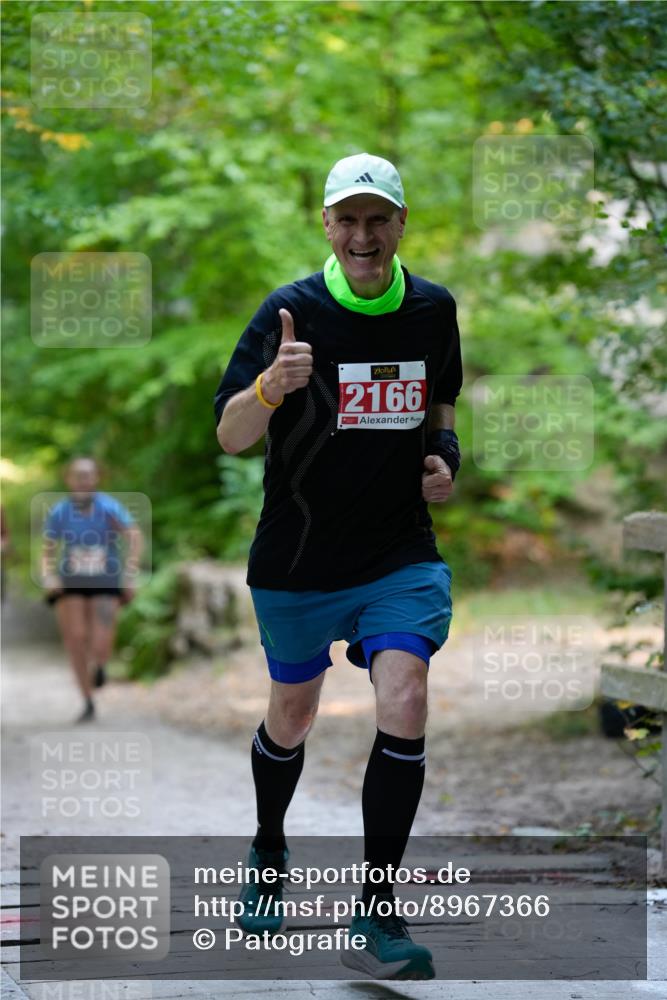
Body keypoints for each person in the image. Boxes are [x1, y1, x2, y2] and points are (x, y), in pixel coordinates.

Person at [214, 153, 462, 981]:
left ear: (399, 223)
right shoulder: (288, 311)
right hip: (299, 556)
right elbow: (230, 435)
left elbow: (438, 402)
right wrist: (271, 388)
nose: (362, 234)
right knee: (292, 715)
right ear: (326, 224)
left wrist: (441, 455)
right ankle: (267, 847)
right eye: (346, 219)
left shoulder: (433, 309)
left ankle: (379, 907)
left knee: (407, 693)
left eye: (377, 218)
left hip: (398, 552)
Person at [40, 456, 143, 723]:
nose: (83, 480)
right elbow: (47, 550)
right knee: (75, 639)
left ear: (96, 478)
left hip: (105, 581)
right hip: (71, 582)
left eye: (88, 475)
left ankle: (99, 665)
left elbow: (134, 537)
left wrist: (130, 575)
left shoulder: (109, 507)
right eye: (78, 475)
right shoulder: (60, 512)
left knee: (100, 640)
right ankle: (87, 700)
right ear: (69, 479)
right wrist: (48, 576)